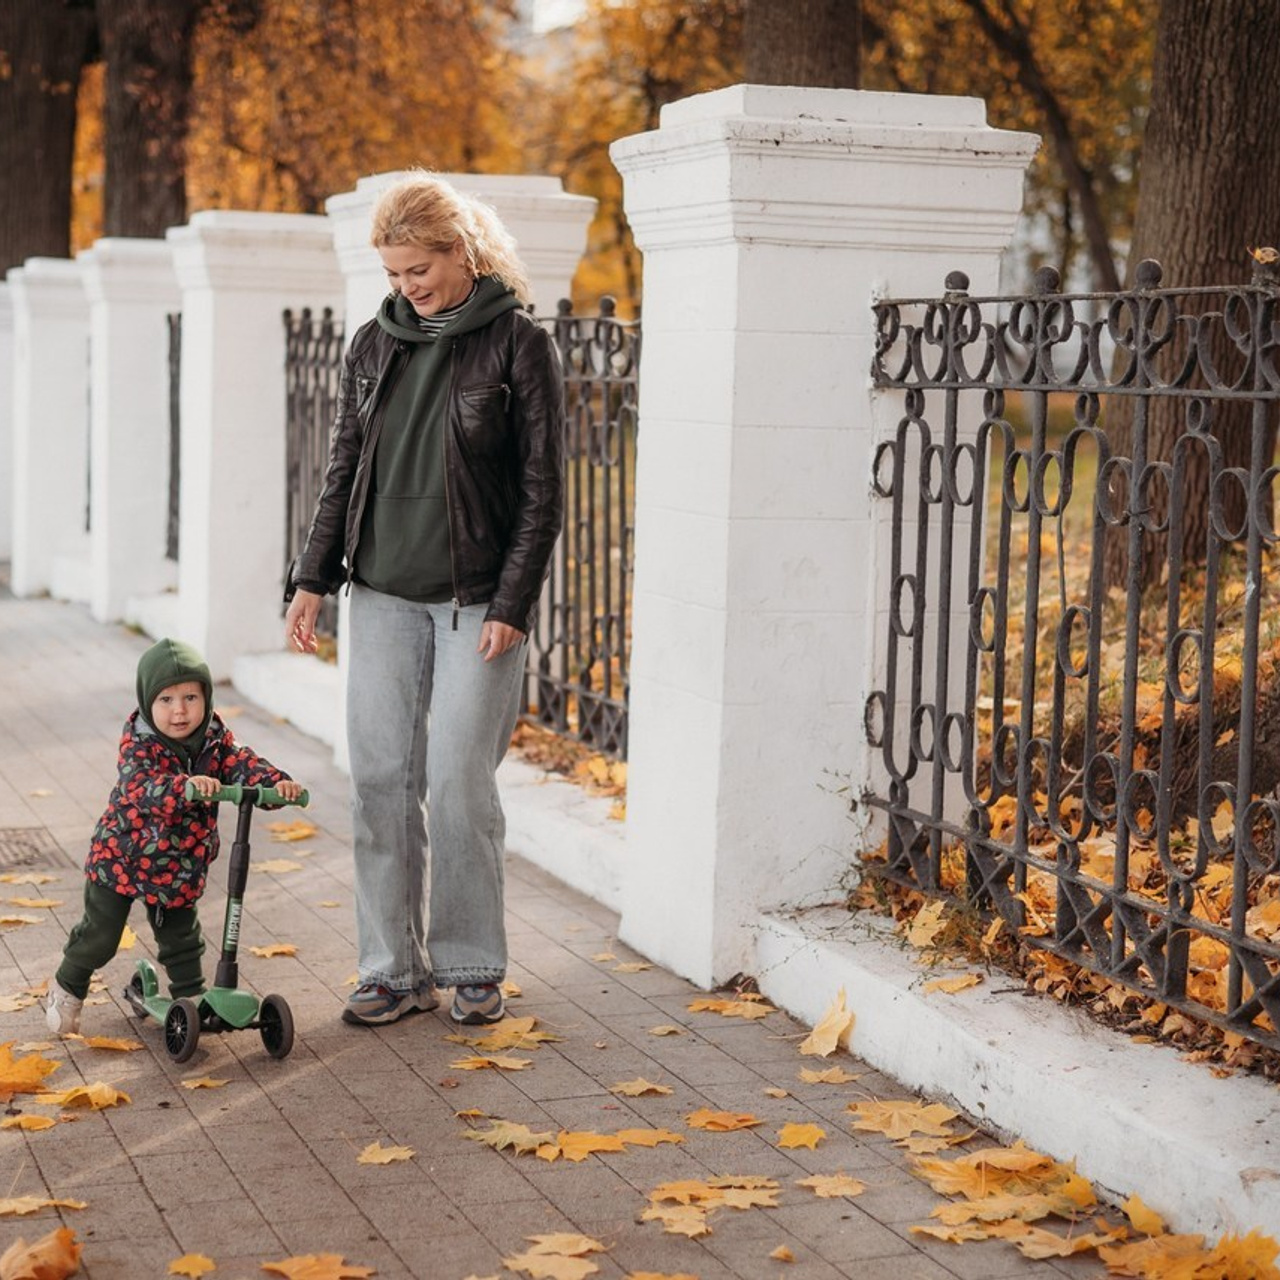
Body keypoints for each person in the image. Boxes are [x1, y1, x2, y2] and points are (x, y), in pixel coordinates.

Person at [283, 173, 565, 1029]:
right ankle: (391, 968)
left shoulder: (517, 343)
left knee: (456, 781)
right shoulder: (372, 342)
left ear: (462, 252)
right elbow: (343, 469)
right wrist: (310, 577)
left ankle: (472, 960)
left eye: (420, 269)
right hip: (380, 596)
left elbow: (542, 488)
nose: (408, 286)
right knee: (376, 781)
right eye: (396, 272)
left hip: (477, 602)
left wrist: (514, 601)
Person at [45, 638, 304, 1034]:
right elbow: (141, 785)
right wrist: (182, 786)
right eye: (165, 699)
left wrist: (277, 784)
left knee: (182, 938)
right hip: (122, 858)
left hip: (178, 864)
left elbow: (242, 765)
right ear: (148, 701)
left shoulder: (215, 740)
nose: (179, 710)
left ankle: (194, 1000)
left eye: (190, 697)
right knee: (101, 935)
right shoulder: (139, 744)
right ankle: (68, 985)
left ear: (207, 698)